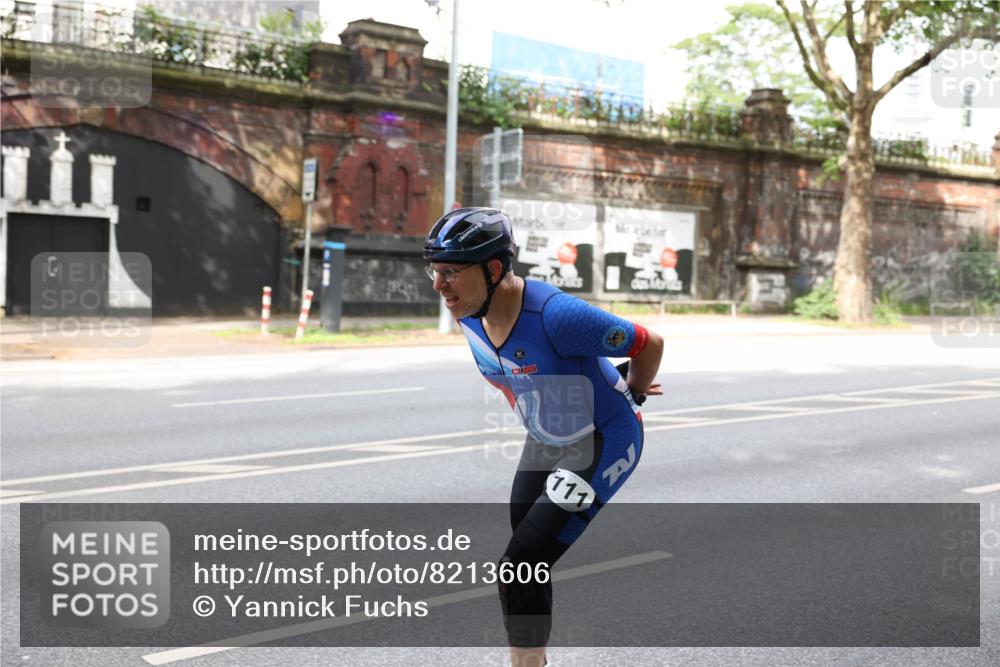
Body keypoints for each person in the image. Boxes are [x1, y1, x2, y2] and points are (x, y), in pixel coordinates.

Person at [423, 207, 664, 667]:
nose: (439, 286)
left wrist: (632, 389)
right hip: (547, 441)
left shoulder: (557, 316)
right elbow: (516, 378)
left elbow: (649, 343)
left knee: (518, 567)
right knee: (528, 560)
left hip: (603, 437)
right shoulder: (470, 313)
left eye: (450, 272)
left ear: (494, 269)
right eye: (434, 272)